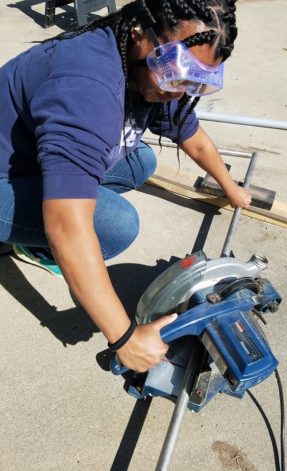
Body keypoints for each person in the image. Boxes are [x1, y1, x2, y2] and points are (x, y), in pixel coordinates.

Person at [0, 0, 251, 372]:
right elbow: (67, 226)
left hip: (28, 162)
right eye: (177, 73)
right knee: (115, 225)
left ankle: (48, 205)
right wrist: (124, 337)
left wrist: (230, 187)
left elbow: (192, 135)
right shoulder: (88, 89)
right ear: (139, 33)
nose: (180, 90)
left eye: (194, 80)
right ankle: (31, 244)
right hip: (6, 178)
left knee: (141, 160)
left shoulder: (154, 68)